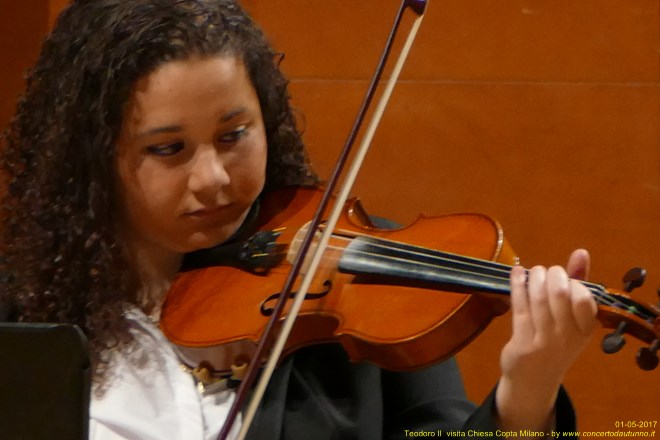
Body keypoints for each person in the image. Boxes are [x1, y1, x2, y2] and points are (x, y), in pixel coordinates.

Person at [0, 0, 598, 439]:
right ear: (92, 156)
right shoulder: (21, 312)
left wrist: (527, 393)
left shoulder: (363, 282)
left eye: (234, 135)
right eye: (168, 149)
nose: (213, 178)